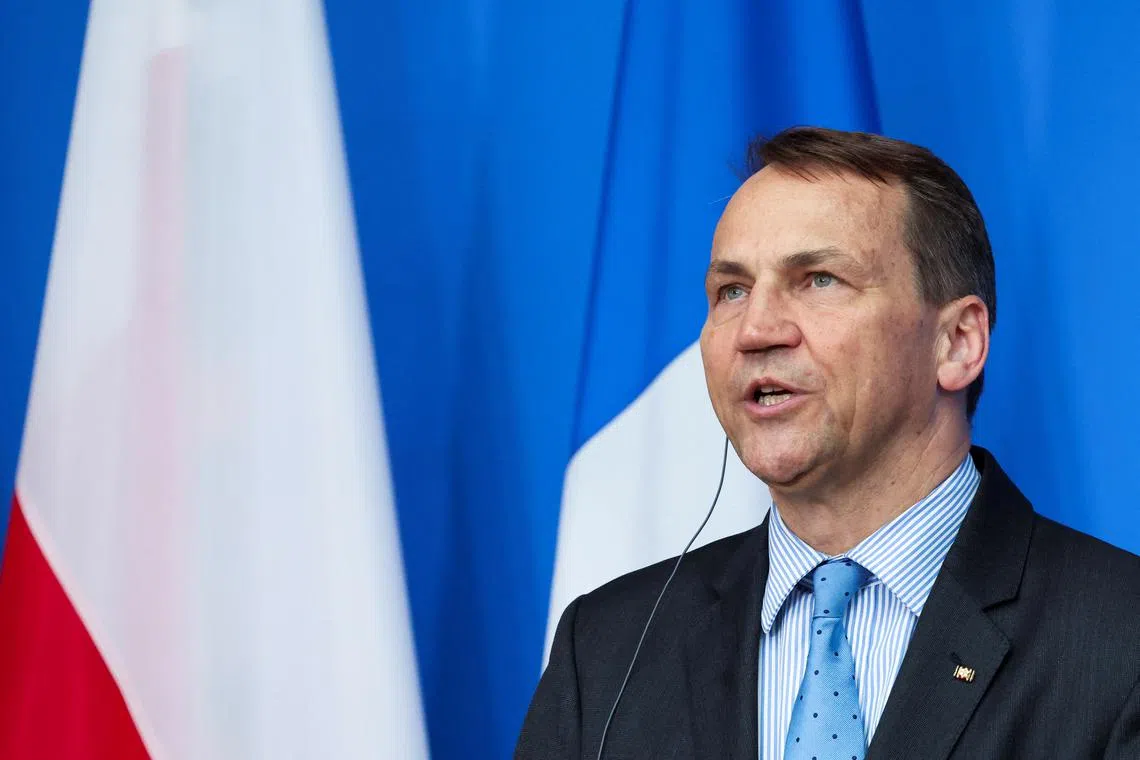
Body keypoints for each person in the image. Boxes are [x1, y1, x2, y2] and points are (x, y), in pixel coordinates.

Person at [515, 127, 1140, 760]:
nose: (755, 330)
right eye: (731, 290)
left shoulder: (1121, 637)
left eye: (818, 279)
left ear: (956, 343)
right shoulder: (604, 650)